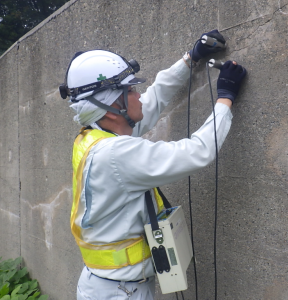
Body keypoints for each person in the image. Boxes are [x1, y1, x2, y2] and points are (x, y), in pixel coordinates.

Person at [60, 29, 246, 300]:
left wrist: (190, 59)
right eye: (131, 90)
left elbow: (154, 98)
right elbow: (197, 152)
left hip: (106, 285)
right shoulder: (114, 154)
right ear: (111, 106)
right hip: (120, 293)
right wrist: (225, 99)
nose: (138, 95)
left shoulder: (95, 136)